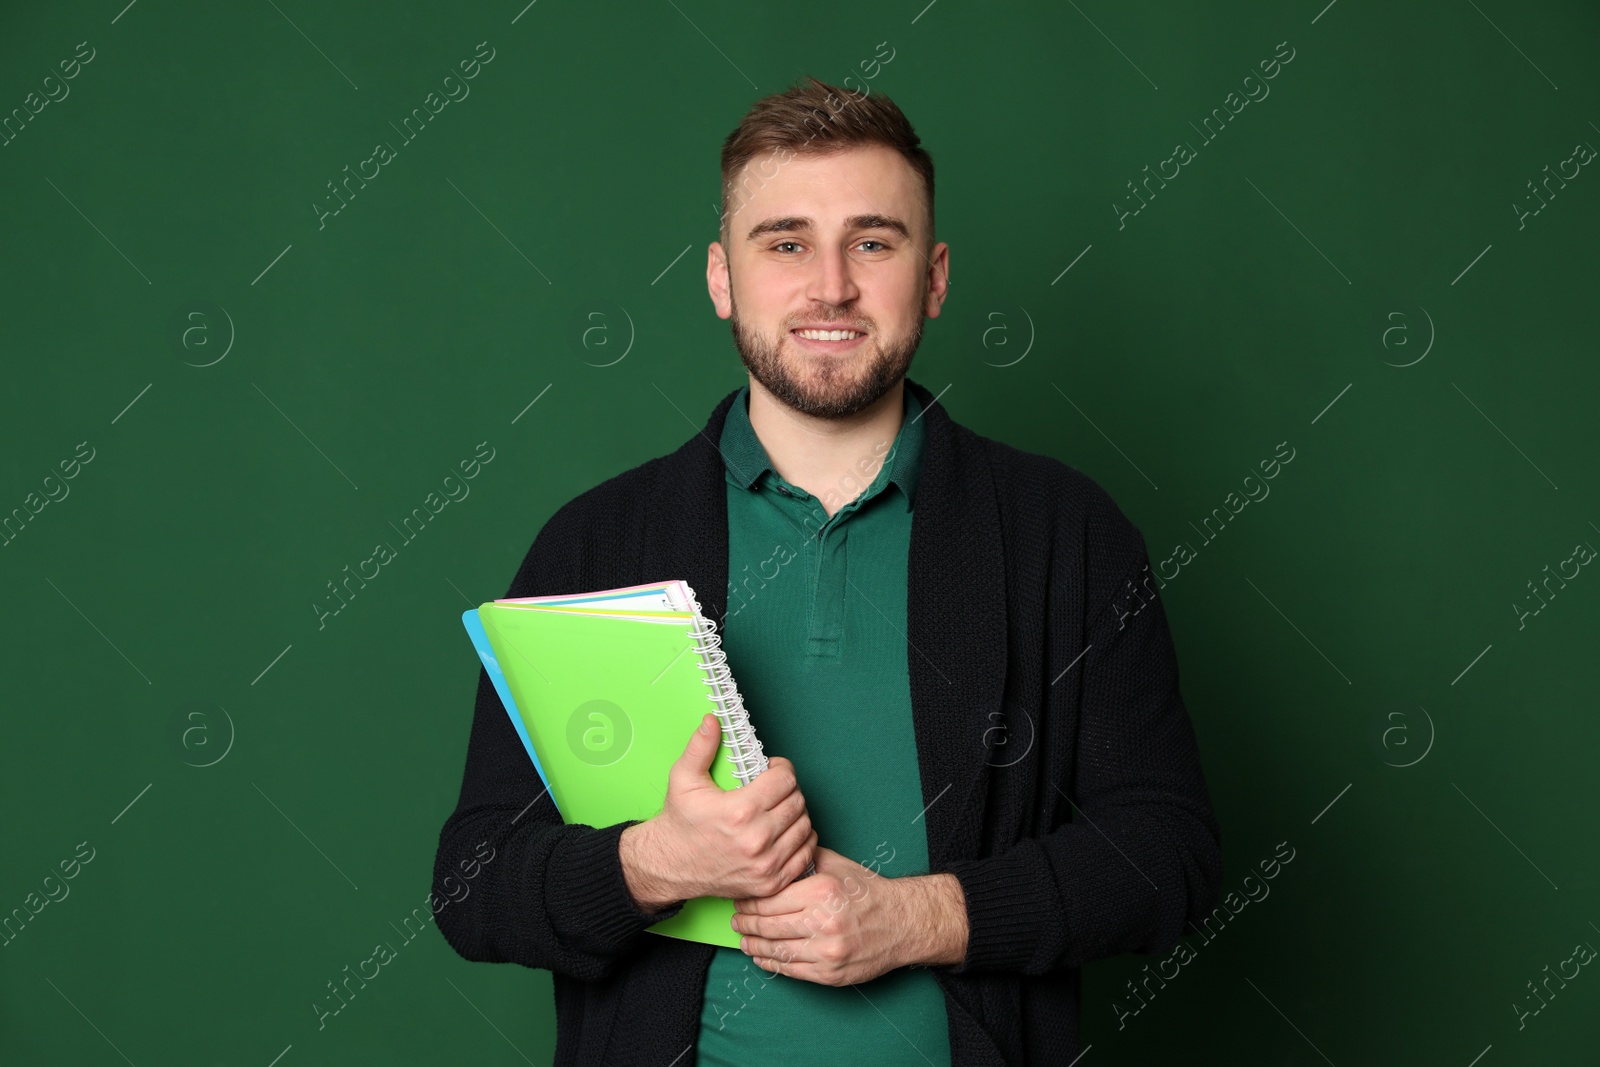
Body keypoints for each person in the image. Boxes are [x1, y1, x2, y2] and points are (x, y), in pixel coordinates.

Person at [433, 75, 1222, 1066]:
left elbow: (1168, 856)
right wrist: (654, 861)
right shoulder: (596, 543)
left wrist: (925, 917)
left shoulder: (1067, 533)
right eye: (786, 242)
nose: (832, 285)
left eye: (873, 241)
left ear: (932, 277)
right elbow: (471, 884)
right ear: (721, 277)